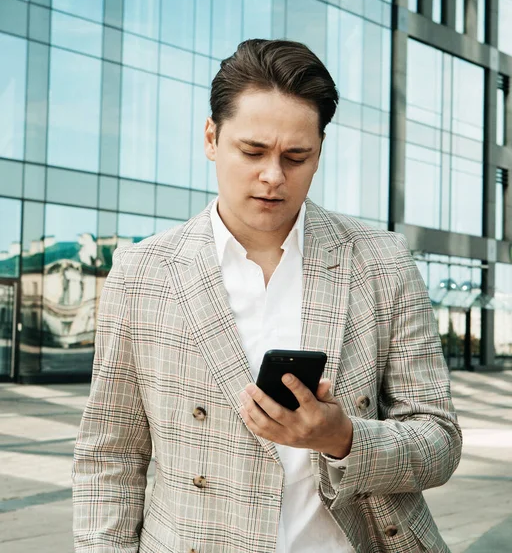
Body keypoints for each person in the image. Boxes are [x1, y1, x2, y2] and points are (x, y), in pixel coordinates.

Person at [72, 39, 462, 553]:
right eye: (252, 151)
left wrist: (342, 438)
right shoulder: (141, 273)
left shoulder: (380, 261)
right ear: (211, 138)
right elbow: (110, 457)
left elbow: (440, 440)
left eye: (296, 157)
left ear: (319, 153)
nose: (273, 177)